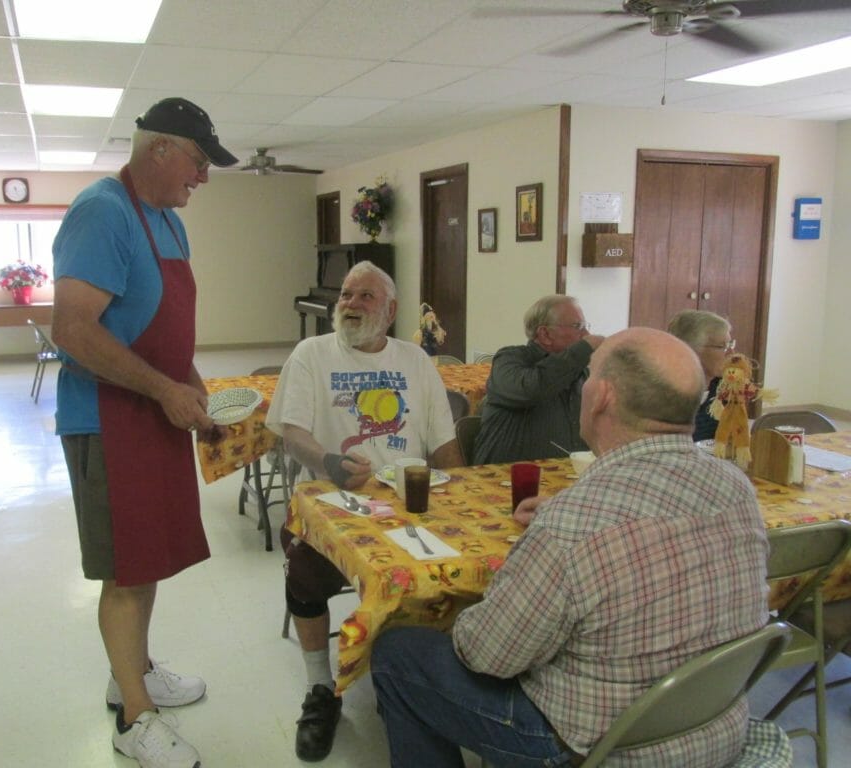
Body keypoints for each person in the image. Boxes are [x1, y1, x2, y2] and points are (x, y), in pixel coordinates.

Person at [371, 327, 769, 768]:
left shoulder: (576, 524)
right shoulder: (736, 487)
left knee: (398, 652)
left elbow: (488, 656)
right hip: (715, 728)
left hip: (601, 750)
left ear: (600, 396)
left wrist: (456, 619)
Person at [51, 97, 238, 768]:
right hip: (108, 419)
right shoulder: (103, 212)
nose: (204, 177)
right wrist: (164, 390)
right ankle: (135, 720)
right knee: (126, 574)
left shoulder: (166, 220)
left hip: (153, 412)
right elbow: (72, 330)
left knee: (148, 558)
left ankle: (130, 672)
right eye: (198, 161)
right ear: (159, 149)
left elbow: (161, 326)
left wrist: (189, 382)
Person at [266, 261, 463, 762]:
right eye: (346, 295)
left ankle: (413, 682)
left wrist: (458, 498)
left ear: (391, 310)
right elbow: (292, 433)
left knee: (457, 568)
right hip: (334, 504)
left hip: (410, 502)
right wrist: (328, 462)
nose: (350, 304)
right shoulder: (312, 354)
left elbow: (444, 443)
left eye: (365, 297)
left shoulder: (416, 360)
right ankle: (319, 691)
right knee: (304, 569)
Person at [473, 295, 604, 464]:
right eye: (577, 326)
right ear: (545, 334)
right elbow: (530, 389)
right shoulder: (510, 359)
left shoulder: (580, 373)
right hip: (505, 481)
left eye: (585, 326)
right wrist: (583, 350)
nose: (587, 334)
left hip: (570, 481)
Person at [668, 308, 735, 441]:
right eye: (723, 347)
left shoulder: (725, 389)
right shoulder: (665, 393)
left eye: (731, 345)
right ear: (691, 349)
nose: (731, 354)